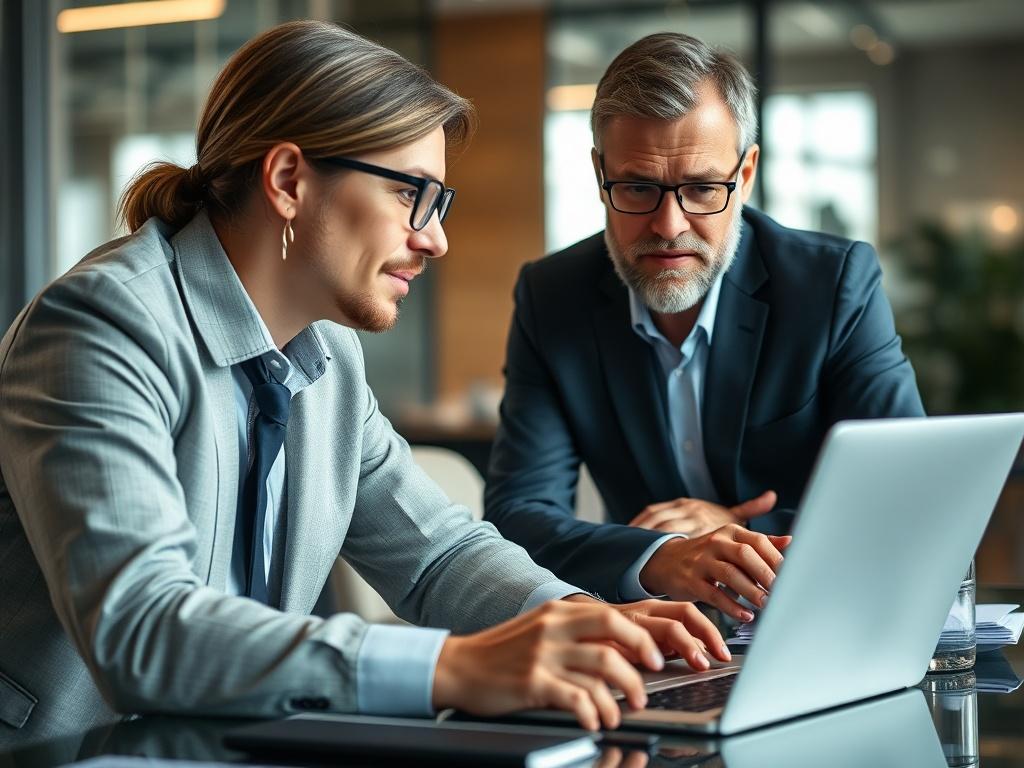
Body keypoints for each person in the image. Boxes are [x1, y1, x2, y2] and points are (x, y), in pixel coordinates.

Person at [0, 22, 729, 745]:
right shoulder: (100, 326)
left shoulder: (327, 354)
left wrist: (579, 619)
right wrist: (452, 665)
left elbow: (437, 553)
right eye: (414, 194)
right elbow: (143, 630)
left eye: (440, 205)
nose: (435, 238)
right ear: (288, 180)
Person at [485, 33, 924, 618]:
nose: (668, 226)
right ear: (599, 175)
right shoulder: (552, 296)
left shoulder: (832, 285)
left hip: (820, 616)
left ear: (744, 176)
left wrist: (731, 535)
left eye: (700, 188)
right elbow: (518, 516)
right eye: (638, 187)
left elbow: (906, 492)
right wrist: (664, 555)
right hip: (658, 637)